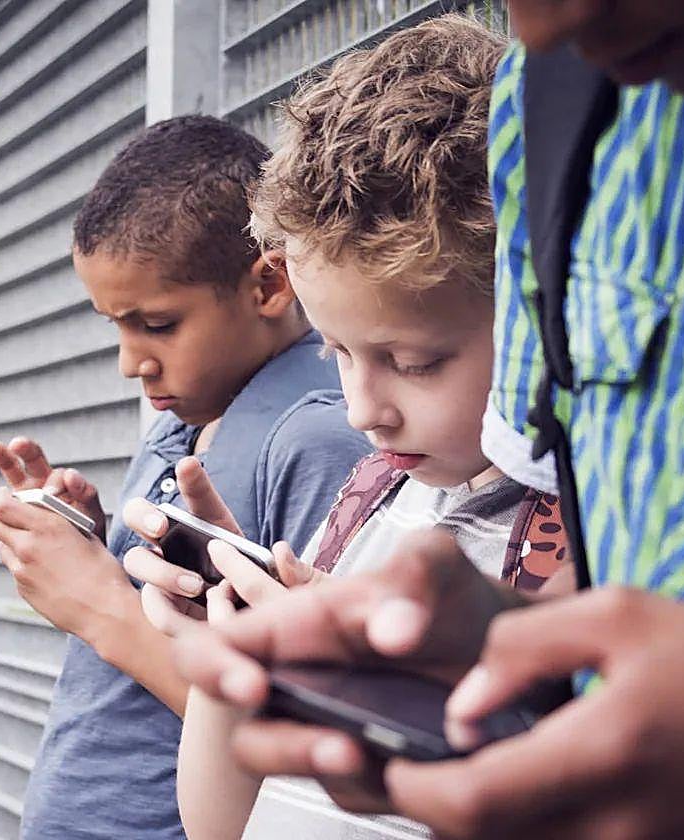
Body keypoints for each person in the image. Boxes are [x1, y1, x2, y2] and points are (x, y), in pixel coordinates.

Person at [169, 3, 684, 838]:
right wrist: (497, 655)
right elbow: (615, 558)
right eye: (334, 351)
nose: (544, 26)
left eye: (416, 362)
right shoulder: (553, 112)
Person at [120, 17, 568, 839]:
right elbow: (220, 824)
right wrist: (243, 658)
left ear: (542, 314)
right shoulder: (371, 491)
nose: (364, 409)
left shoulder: (585, 546)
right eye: (336, 351)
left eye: (415, 360)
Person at [0, 114, 371, 839]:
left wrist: (97, 604)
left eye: (158, 324)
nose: (129, 361)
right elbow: (180, 616)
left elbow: (299, 742)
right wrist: (92, 534)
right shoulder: (184, 417)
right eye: (115, 325)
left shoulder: (317, 436)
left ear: (268, 284)